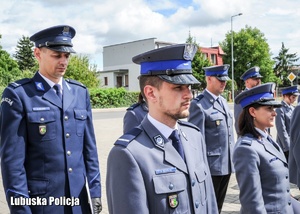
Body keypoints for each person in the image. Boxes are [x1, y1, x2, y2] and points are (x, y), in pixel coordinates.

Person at [0, 25, 102, 214]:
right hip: (43, 205)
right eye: (57, 55)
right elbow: (12, 163)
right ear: (38, 53)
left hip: (79, 203)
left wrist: (95, 192)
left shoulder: (80, 92)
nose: (63, 61)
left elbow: (90, 151)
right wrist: (21, 210)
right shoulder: (20, 95)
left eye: (67, 56)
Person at [106, 44, 218, 214]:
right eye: (178, 87)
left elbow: (210, 203)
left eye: (189, 87)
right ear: (151, 93)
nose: (189, 95)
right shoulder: (129, 154)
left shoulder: (194, 136)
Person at [233, 82, 300, 213]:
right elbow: (252, 205)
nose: (274, 113)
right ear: (252, 111)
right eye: (269, 108)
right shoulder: (246, 149)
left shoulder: (266, 138)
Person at [188, 64, 234, 213]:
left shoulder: (223, 102)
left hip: (226, 164)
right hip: (211, 167)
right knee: (209, 207)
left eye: (225, 80)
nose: (224, 83)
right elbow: (195, 140)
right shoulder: (199, 105)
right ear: (209, 79)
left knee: (218, 205)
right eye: (220, 79)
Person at [234, 66, 262, 134]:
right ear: (247, 81)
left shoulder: (261, 96)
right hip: (249, 137)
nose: (258, 81)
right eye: (255, 79)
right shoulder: (241, 98)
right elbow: (239, 122)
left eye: (259, 78)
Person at [275, 86, 299, 161]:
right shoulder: (280, 109)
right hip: (285, 146)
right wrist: (288, 147)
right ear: (285, 96)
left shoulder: (293, 108)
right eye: (293, 97)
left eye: (295, 97)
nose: (294, 99)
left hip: (293, 143)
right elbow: (281, 130)